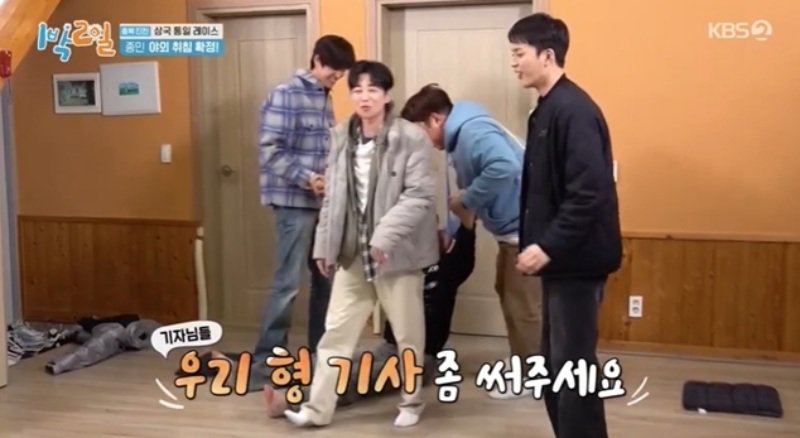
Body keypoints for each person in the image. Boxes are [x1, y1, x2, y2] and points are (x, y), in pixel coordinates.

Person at [283, 60, 439, 428]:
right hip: (353, 254)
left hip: (397, 256)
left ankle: (412, 402)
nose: (364, 97)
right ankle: (317, 410)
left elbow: (419, 195)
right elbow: (333, 197)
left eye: (372, 90)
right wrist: (324, 246)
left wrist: (384, 236)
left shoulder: (410, 137)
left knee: (408, 335)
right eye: (357, 90)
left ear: (386, 95)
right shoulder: (341, 136)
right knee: (335, 334)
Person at [508, 13, 622, 438]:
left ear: (547, 55)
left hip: (577, 261)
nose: (514, 63)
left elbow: (589, 192)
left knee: (572, 370)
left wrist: (547, 245)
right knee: (557, 367)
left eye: (519, 53)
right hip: (561, 262)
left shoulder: (574, 110)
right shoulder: (548, 108)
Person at [400, 84, 542, 400]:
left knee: (523, 307)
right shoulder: (465, 132)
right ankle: (527, 368)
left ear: (435, 120)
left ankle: (532, 377)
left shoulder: (472, 133)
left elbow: (505, 167)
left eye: (420, 132)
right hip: (515, 231)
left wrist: (468, 199)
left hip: (523, 231)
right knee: (512, 298)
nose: (422, 142)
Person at [262, 222, 476, 416]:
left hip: (421, 358)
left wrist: (468, 223)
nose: (434, 234)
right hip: (389, 347)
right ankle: (288, 374)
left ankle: (294, 400)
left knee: (363, 377)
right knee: (340, 359)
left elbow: (465, 247)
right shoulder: (402, 265)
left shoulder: (449, 269)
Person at [251, 35, 356, 391]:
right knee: (287, 285)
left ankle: (320, 357)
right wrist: (308, 178)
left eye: (341, 73)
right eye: (333, 70)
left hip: (322, 204)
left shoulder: (324, 98)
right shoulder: (286, 94)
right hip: (293, 203)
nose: (337, 77)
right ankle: (265, 364)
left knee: (325, 280)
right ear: (317, 60)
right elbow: (270, 150)